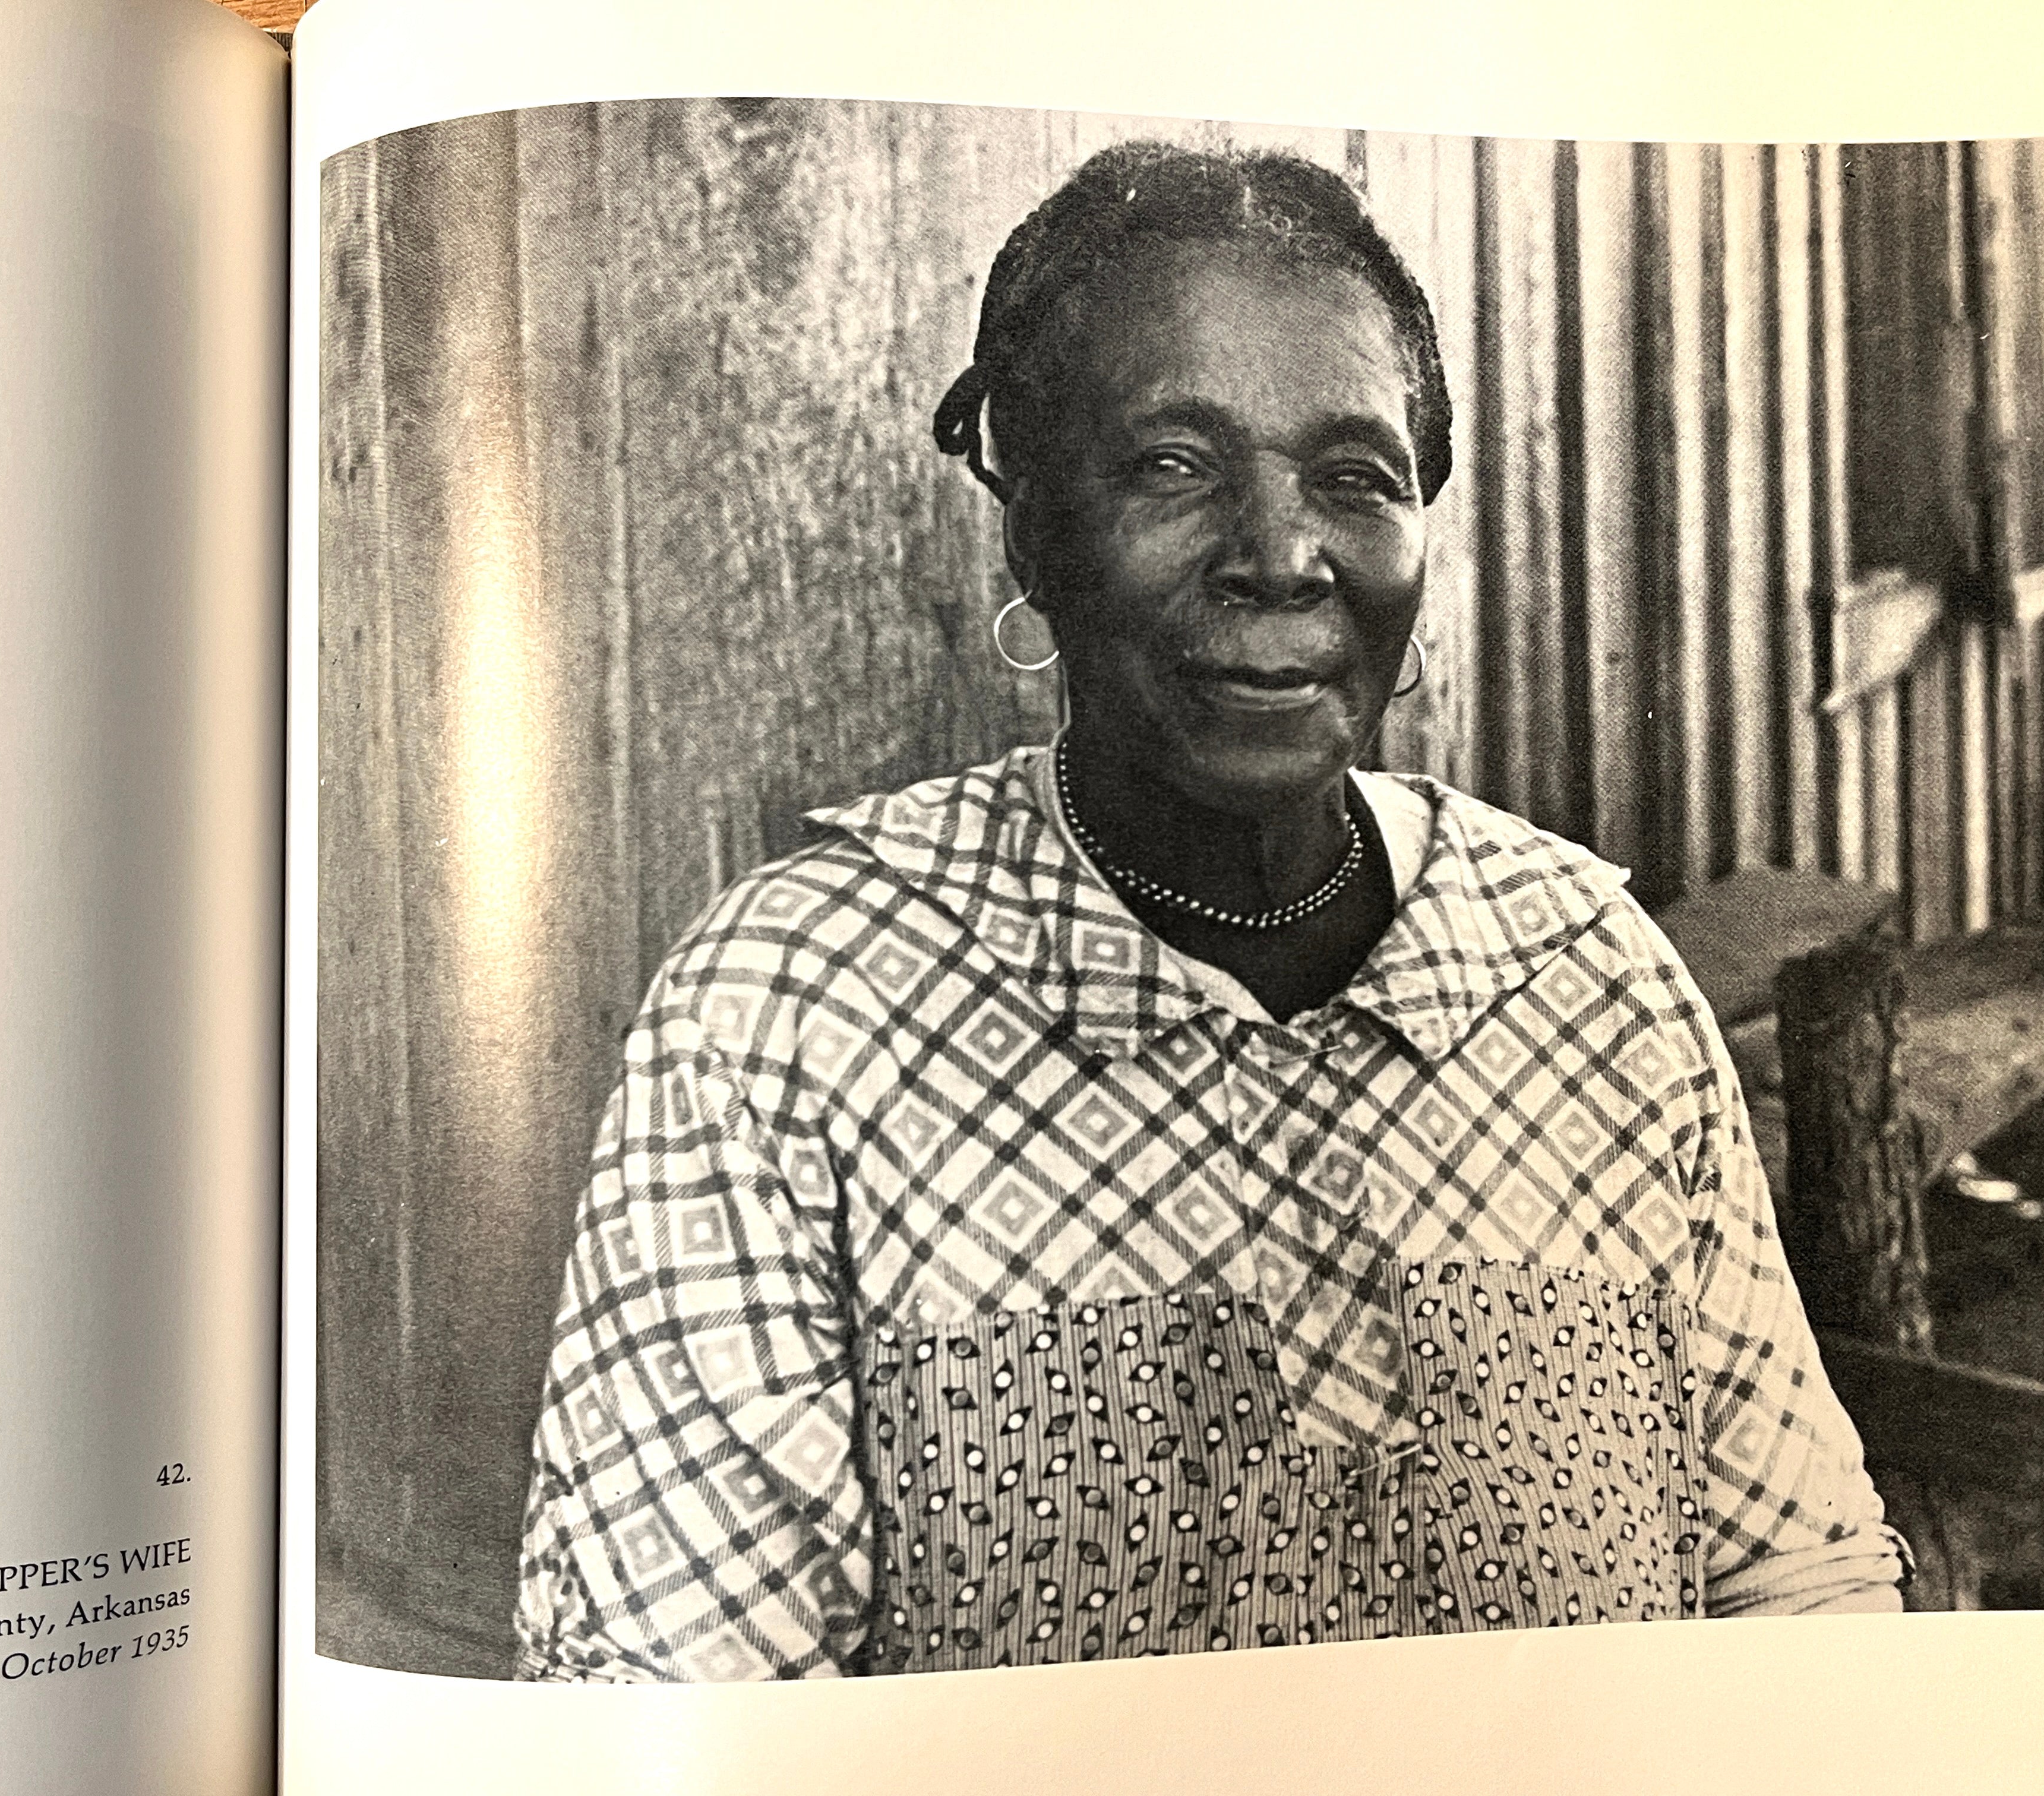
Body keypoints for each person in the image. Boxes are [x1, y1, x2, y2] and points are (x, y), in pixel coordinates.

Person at [514, 140, 1906, 1683]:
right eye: (1173, 465)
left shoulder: (1588, 981)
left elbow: (1804, 1596)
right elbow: (662, 1715)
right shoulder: (790, 1024)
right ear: (1033, 531)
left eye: (1353, 477)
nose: (1281, 557)